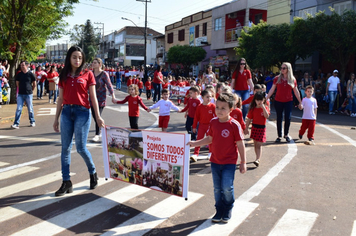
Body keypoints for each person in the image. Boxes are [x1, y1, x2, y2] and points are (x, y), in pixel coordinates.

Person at [186, 93, 246, 223]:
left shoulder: (234, 124)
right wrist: (195, 143)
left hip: (229, 162)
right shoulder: (213, 122)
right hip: (215, 162)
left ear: (231, 109)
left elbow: (241, 144)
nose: (219, 110)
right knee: (217, 188)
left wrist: (243, 162)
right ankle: (219, 210)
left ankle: (228, 207)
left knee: (227, 187)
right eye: (217, 107)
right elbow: (209, 139)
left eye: (223, 108)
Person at [53, 46, 104, 196]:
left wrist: (98, 117)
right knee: (65, 148)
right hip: (67, 112)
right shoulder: (64, 75)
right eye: (74, 57)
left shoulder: (88, 74)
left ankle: (93, 172)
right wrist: (56, 118)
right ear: (69, 58)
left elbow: (93, 98)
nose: (77, 60)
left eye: (80, 58)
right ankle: (66, 182)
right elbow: (60, 98)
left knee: (81, 148)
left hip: (83, 113)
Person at [267, 62, 302, 143]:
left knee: (288, 118)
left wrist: (300, 102)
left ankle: (286, 134)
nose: (282, 70)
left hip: (288, 101)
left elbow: (296, 91)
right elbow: (272, 89)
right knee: (279, 118)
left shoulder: (292, 79)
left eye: (284, 68)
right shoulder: (277, 78)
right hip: (278, 100)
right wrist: (266, 98)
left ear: (288, 69)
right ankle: (279, 135)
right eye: (281, 68)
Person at [91, 58, 115, 142]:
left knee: (98, 115)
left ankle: (97, 134)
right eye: (92, 63)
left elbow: (109, 85)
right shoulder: (91, 73)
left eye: (95, 63)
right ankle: (102, 129)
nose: (93, 64)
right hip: (92, 98)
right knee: (94, 115)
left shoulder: (104, 74)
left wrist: (113, 96)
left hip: (101, 98)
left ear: (100, 64)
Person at [244, 91, 270, 167]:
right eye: (257, 100)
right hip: (255, 127)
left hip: (262, 128)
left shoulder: (265, 108)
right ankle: (257, 157)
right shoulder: (253, 109)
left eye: (261, 100)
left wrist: (263, 108)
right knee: (255, 144)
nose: (259, 102)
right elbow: (248, 119)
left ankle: (257, 159)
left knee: (259, 144)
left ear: (264, 100)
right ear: (255, 100)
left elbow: (266, 116)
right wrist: (246, 128)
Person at [191, 90, 216, 162]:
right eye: (207, 97)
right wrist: (194, 126)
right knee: (199, 139)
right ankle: (195, 154)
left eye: (210, 97)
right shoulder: (199, 107)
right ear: (202, 97)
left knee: (210, 139)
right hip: (201, 125)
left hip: (210, 126)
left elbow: (216, 116)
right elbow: (196, 118)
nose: (209, 98)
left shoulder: (213, 106)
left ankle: (210, 153)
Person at [11, 61, 36, 129]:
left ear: (27, 65)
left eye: (23, 65)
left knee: (30, 108)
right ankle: (16, 123)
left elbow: (34, 84)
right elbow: (17, 84)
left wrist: (31, 90)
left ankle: (32, 121)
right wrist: (20, 89)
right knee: (19, 108)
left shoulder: (30, 74)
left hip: (28, 94)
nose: (22, 67)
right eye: (21, 65)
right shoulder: (19, 74)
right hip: (21, 94)